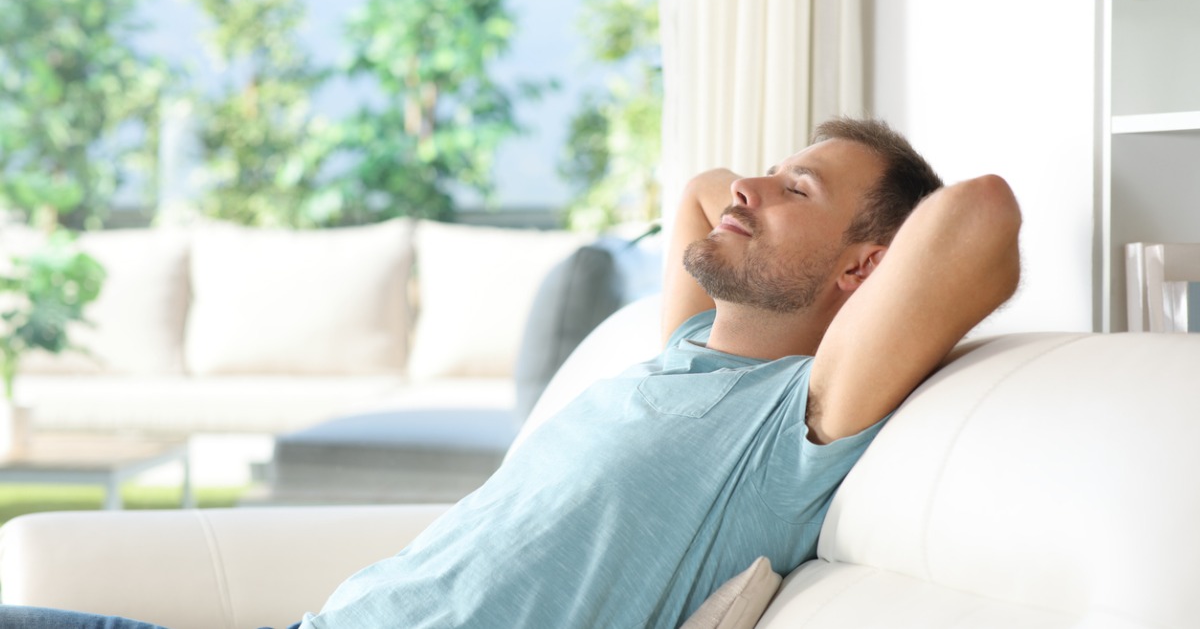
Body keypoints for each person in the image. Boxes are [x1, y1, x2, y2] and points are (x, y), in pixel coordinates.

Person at [0, 118, 1021, 628]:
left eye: (794, 187)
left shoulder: (788, 424)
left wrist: (846, 224)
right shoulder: (679, 353)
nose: (745, 189)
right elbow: (700, 191)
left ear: (863, 270)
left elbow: (978, 217)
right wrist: (791, 192)